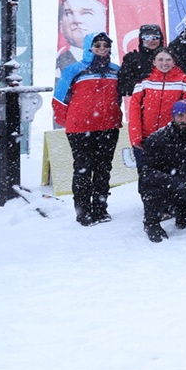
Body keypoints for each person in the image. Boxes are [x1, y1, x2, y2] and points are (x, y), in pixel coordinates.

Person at [52, 31, 122, 226]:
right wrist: (70, 122)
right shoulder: (73, 70)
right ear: (89, 47)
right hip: (80, 129)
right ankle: (83, 211)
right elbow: (59, 99)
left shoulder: (115, 70)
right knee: (83, 169)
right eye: (97, 45)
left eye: (105, 45)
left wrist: (114, 114)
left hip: (108, 126)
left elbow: (118, 97)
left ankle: (100, 209)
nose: (101, 49)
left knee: (103, 169)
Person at [138, 100, 186, 242]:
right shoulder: (157, 139)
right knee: (149, 188)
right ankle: (151, 223)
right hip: (167, 184)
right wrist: (172, 182)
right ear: (173, 116)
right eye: (180, 115)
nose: (184, 120)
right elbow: (146, 172)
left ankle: (182, 213)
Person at [127, 48, 186, 170]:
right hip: (147, 138)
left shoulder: (183, 80)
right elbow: (134, 110)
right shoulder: (144, 80)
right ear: (154, 62)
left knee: (171, 178)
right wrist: (136, 137)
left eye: (168, 59)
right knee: (147, 178)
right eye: (160, 59)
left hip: (172, 137)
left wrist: (184, 136)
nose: (164, 63)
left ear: (174, 62)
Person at [55, 0, 109, 73]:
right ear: (60, 25)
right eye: (69, 13)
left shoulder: (116, 68)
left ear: (104, 21)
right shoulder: (57, 69)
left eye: (86, 13)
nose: (77, 20)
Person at [118, 24, 165, 96]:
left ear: (161, 39)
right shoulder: (132, 59)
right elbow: (122, 89)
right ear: (141, 39)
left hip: (166, 102)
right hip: (141, 104)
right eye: (146, 37)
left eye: (155, 37)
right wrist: (142, 80)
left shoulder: (169, 58)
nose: (151, 40)